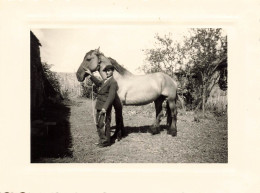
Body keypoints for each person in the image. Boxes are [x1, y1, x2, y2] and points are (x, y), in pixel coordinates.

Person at [85, 65, 125, 147]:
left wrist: (105, 108)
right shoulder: (105, 80)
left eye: (109, 70)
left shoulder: (113, 82)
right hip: (99, 105)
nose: (107, 72)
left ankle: (106, 142)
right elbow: (99, 83)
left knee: (104, 123)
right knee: (99, 123)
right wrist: (91, 75)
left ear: (112, 71)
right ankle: (102, 140)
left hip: (104, 107)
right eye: (106, 71)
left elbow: (111, 96)